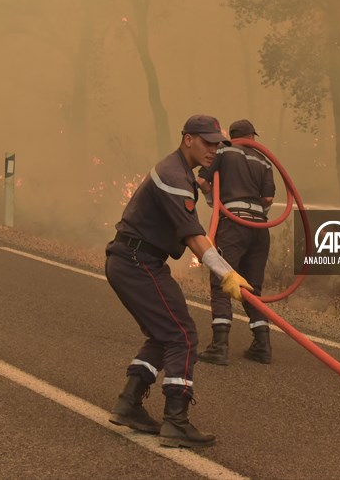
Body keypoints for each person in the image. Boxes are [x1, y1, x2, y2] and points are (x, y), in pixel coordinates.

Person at [105, 114, 252, 448]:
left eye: (217, 144)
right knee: (183, 334)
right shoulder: (173, 176)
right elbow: (194, 236)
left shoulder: (181, 173)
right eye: (207, 142)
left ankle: (128, 403)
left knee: (165, 331)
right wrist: (226, 274)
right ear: (188, 139)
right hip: (137, 262)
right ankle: (176, 420)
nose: (214, 149)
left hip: (134, 260)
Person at [196, 119, 276, 366]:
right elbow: (268, 198)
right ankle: (262, 346)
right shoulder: (264, 160)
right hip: (259, 228)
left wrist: (214, 199)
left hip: (233, 225)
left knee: (222, 280)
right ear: (252, 136)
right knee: (253, 288)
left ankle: (219, 347)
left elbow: (202, 181)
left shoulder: (222, 150)